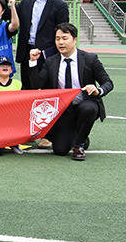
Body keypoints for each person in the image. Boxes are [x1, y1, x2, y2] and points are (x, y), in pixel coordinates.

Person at [29, 23, 113, 161]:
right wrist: (33, 62)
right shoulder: (51, 62)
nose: (60, 42)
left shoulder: (90, 59)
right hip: (62, 110)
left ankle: (79, 145)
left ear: (74, 39)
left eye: (64, 38)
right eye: (57, 39)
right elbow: (37, 85)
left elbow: (108, 83)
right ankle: (80, 135)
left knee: (88, 108)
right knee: (60, 150)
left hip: (85, 103)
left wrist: (98, 90)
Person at [8, 0, 69, 89]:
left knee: (46, 89)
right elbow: (8, 14)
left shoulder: (60, 5)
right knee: (26, 87)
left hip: (46, 56)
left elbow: (63, 33)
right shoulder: (26, 1)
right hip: (26, 53)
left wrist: (47, 53)